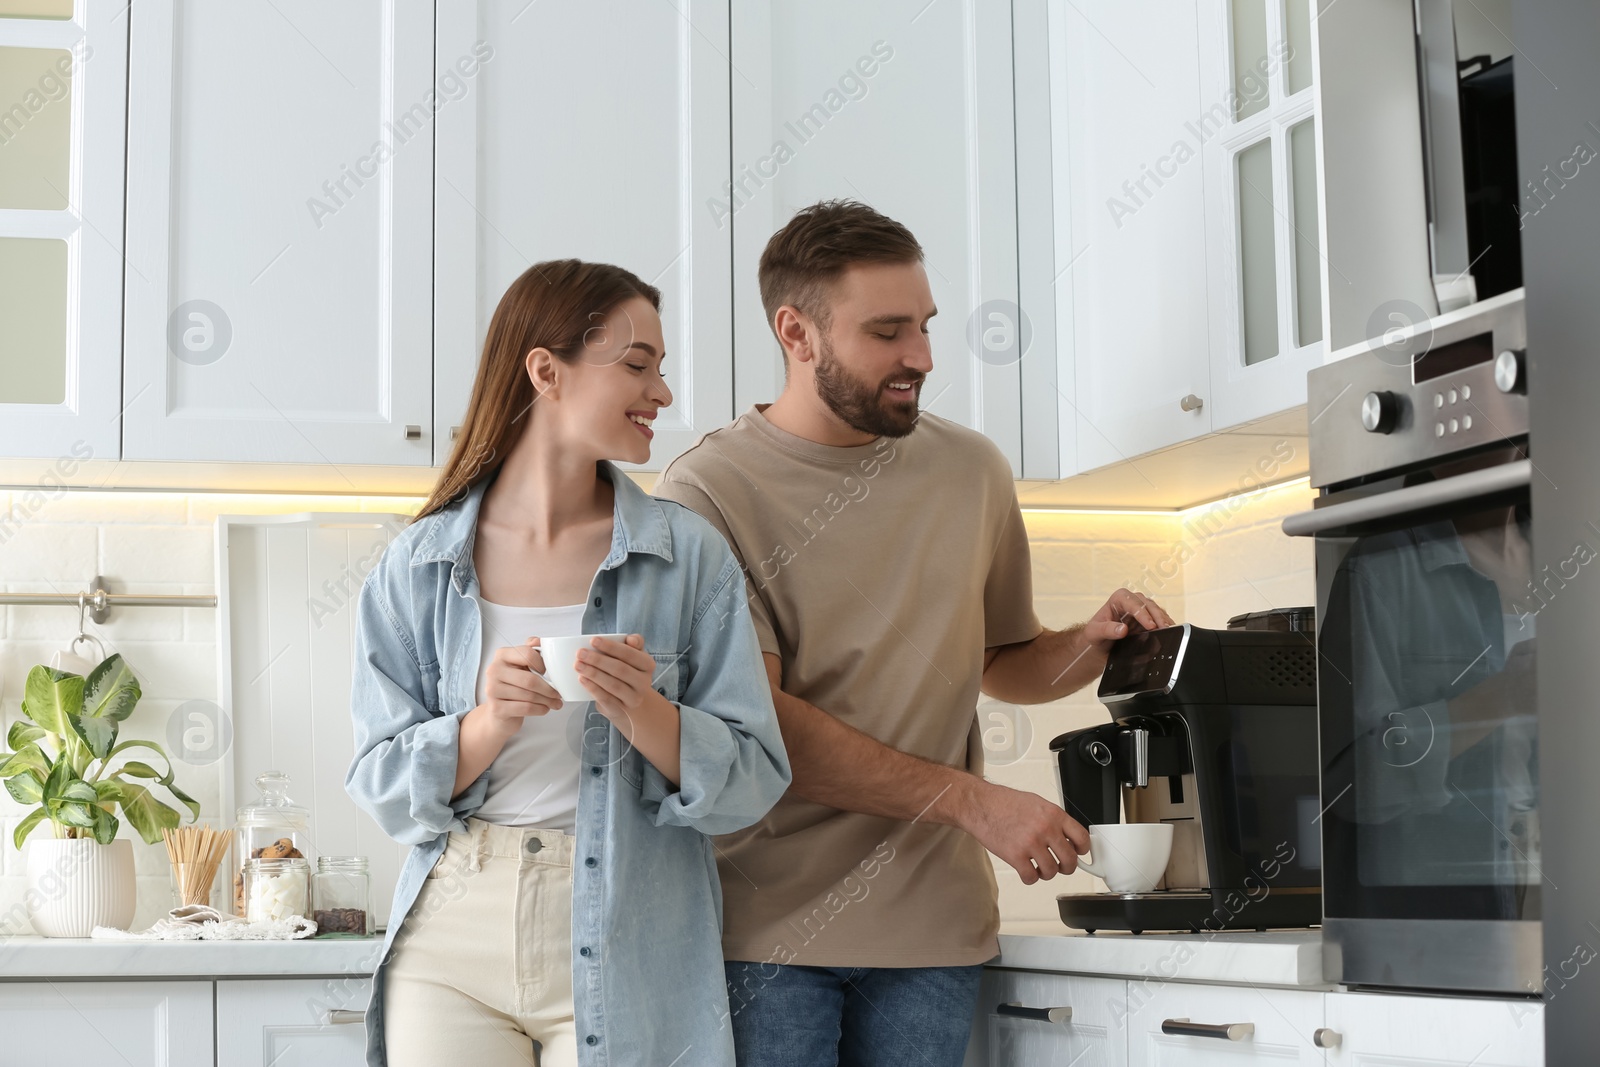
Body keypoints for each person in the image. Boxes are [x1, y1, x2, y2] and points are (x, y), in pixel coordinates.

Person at [653, 199, 1174, 1065]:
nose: (923, 358)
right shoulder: (708, 492)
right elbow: (761, 718)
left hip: (936, 934)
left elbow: (1000, 660)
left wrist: (1091, 640)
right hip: (766, 932)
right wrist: (978, 802)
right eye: (888, 331)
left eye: (925, 327)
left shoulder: (971, 470)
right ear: (798, 332)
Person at [345, 259, 791, 1067]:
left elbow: (755, 779)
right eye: (637, 364)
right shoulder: (417, 565)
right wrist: (485, 724)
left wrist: (649, 713)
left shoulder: (689, 557)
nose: (662, 392)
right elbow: (378, 780)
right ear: (546, 371)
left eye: (660, 368)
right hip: (453, 938)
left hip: (635, 934)